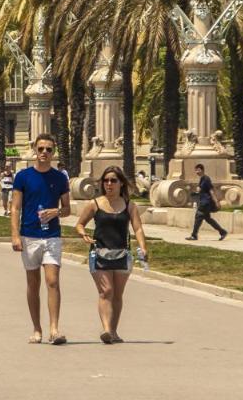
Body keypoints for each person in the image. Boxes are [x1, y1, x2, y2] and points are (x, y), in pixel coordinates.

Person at [74, 166, 149, 344]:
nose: (109, 184)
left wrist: (143, 247)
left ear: (121, 183)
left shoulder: (129, 205)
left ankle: (114, 331)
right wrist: (83, 234)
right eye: (106, 180)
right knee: (106, 291)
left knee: (117, 294)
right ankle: (106, 329)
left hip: (122, 253)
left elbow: (137, 228)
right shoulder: (95, 203)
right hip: (99, 253)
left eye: (113, 180)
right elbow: (80, 224)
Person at [11, 133, 71, 344]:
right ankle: (37, 329)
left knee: (53, 281)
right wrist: (15, 235)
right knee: (33, 283)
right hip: (29, 235)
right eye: (41, 149)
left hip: (52, 236)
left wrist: (56, 211)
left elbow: (67, 209)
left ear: (53, 153)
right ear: (34, 150)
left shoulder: (60, 178)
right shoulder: (23, 176)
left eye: (49, 149)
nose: (45, 153)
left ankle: (54, 329)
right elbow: (15, 207)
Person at [186, 163, 228, 240]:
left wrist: (216, 202)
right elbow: (202, 190)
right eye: (195, 170)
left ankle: (194, 235)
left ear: (202, 170)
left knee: (198, 216)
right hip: (203, 201)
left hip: (206, 202)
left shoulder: (206, 179)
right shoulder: (202, 179)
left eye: (198, 170)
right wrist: (196, 193)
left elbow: (211, 190)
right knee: (208, 219)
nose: (197, 172)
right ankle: (222, 232)